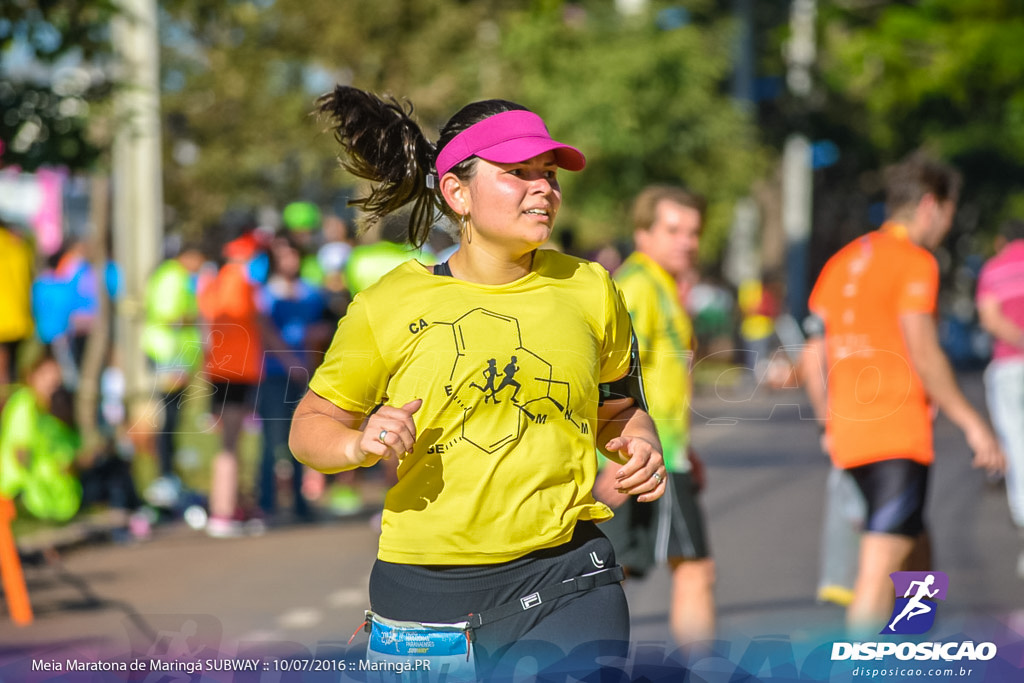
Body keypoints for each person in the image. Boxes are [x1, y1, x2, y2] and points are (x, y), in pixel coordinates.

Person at [288, 86, 666, 679]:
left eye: (549, 174)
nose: (544, 188)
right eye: (519, 173)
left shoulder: (590, 289)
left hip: (567, 574)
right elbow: (310, 427)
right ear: (457, 192)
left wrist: (640, 440)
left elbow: (619, 406)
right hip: (423, 594)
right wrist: (355, 445)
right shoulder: (389, 303)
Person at [802, 151, 1005, 635]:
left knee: (915, 549)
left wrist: (828, 422)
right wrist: (974, 425)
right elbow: (925, 351)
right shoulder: (916, 262)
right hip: (896, 435)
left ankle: (914, 646)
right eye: (950, 215)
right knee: (878, 568)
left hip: (850, 435)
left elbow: (813, 356)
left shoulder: (842, 261)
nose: (946, 227)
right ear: (931, 205)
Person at [592, 185, 716, 649]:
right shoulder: (637, 286)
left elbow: (661, 378)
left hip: (662, 451)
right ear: (642, 233)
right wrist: (610, 458)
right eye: (673, 230)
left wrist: (687, 448)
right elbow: (608, 374)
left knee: (610, 574)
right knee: (694, 570)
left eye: (694, 231)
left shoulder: (662, 284)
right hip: (641, 454)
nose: (687, 241)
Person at [255, 231, 329, 522]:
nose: (289, 259)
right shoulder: (265, 294)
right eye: (282, 254)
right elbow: (266, 333)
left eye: (293, 253)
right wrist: (290, 363)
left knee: (302, 439)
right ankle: (268, 504)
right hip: (274, 375)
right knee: (272, 440)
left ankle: (300, 503)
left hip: (305, 374)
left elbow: (321, 329)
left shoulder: (311, 292)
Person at [976, 217, 1024, 577]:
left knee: (1015, 445)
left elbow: (990, 319)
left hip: (1009, 368)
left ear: (999, 241)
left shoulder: (993, 269)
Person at [140, 243, 205, 508]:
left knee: (174, 419)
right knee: (169, 418)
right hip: (169, 355)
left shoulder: (176, 276)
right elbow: (169, 317)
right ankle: (165, 476)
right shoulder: (173, 276)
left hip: (175, 355)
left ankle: (170, 475)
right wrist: (195, 318)